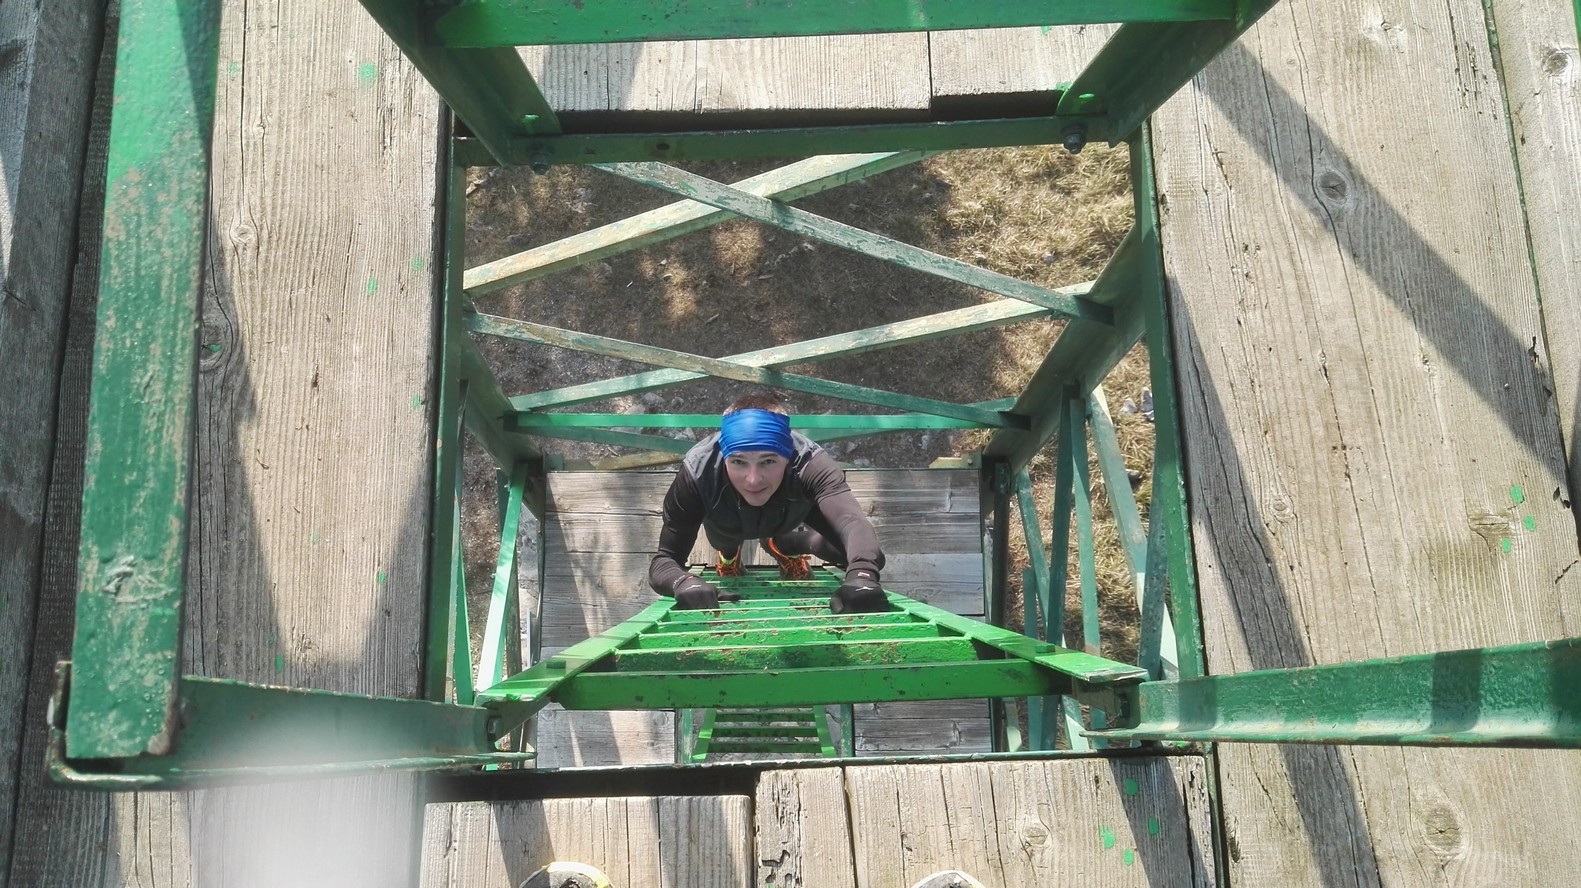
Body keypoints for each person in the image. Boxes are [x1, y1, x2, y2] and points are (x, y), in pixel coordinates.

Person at [648, 393, 889, 612]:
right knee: (726, 543)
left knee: (866, 555)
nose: (753, 480)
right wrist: (685, 582)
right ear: (724, 456)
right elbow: (664, 560)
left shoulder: (810, 463)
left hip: (788, 515)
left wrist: (863, 576)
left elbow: (851, 522)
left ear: (788, 455)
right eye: (738, 462)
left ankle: (781, 544)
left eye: (768, 461)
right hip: (726, 524)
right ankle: (730, 557)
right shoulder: (697, 473)